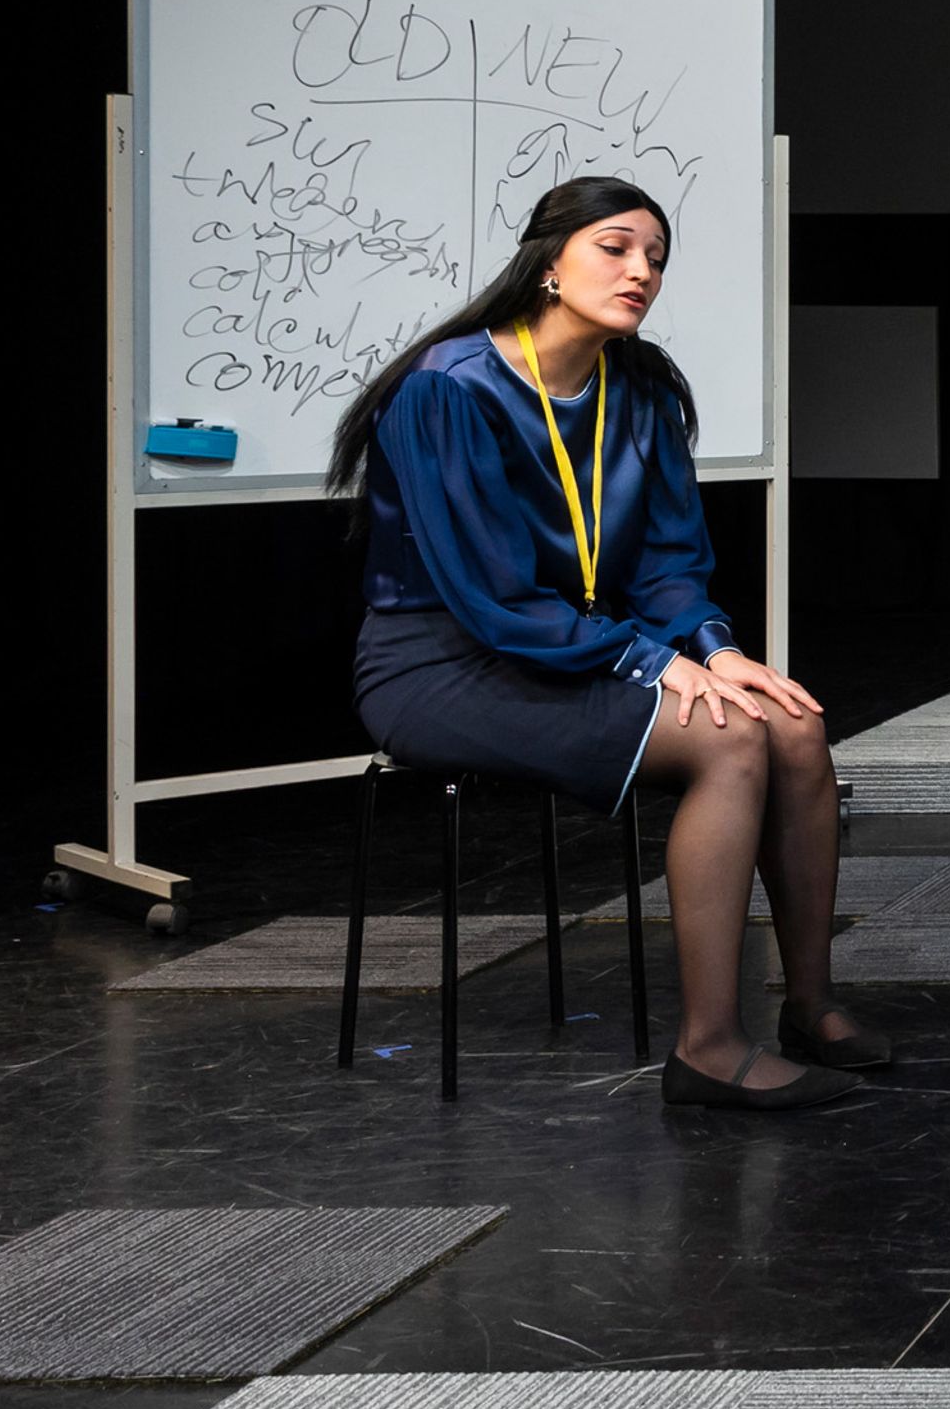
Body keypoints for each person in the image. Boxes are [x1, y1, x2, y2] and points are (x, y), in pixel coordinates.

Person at [327, 176, 879, 1108]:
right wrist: (651, 662)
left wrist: (714, 649)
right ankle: (708, 1046)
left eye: (656, 258)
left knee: (788, 720)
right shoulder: (448, 391)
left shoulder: (644, 387)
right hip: (445, 662)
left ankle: (810, 1001)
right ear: (548, 263)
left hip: (578, 644)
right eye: (616, 247)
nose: (641, 272)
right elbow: (495, 598)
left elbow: (667, 560)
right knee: (730, 739)